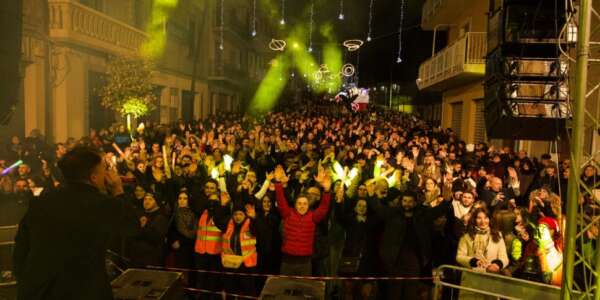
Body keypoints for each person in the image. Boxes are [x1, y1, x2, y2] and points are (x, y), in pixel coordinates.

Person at [13, 146, 135, 300]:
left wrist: (25, 282)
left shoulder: (41, 202)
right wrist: (118, 191)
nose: (108, 173)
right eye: (105, 169)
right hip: (83, 291)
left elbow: (21, 248)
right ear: (94, 177)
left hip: (39, 291)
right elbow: (131, 227)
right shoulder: (102, 204)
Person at [274, 166, 331, 276]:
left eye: (305, 204)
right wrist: (277, 182)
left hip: (305, 263)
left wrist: (327, 191)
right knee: (285, 289)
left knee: (302, 289)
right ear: (295, 205)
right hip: (287, 261)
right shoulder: (288, 214)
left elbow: (324, 208)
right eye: (299, 203)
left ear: (308, 205)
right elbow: (280, 200)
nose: (302, 206)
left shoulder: (313, 216)